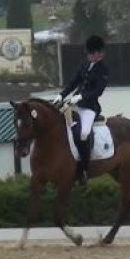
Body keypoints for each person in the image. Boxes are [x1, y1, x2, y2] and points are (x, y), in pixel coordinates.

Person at [53, 35, 109, 185]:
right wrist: (61, 95)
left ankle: (84, 169)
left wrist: (81, 97)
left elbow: (98, 91)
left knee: (83, 133)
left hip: (89, 108)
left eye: (92, 54)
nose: (90, 56)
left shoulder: (103, 69)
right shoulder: (85, 64)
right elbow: (73, 82)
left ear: (99, 54)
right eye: (89, 54)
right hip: (74, 104)